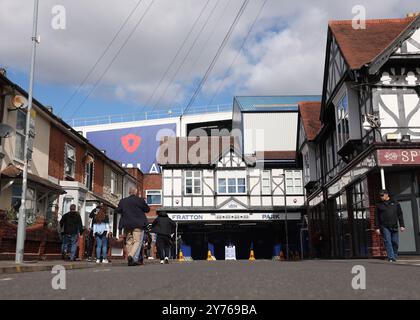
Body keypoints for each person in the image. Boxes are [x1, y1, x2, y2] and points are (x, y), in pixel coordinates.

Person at [116, 187, 150, 266]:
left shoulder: (123, 201)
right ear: (136, 192)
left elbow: (118, 210)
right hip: (138, 224)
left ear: (129, 192)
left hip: (127, 224)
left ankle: (130, 260)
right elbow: (147, 209)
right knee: (137, 241)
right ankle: (131, 256)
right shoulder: (140, 200)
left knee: (129, 241)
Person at [375, 189, 406, 262]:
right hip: (385, 226)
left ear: (386, 195)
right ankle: (391, 257)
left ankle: (394, 254)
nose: (381, 197)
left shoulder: (395, 202)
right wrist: (377, 227)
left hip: (394, 225)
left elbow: (400, 214)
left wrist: (402, 225)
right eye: (380, 196)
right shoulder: (379, 205)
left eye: (382, 195)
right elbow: (376, 217)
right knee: (387, 241)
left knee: (395, 242)